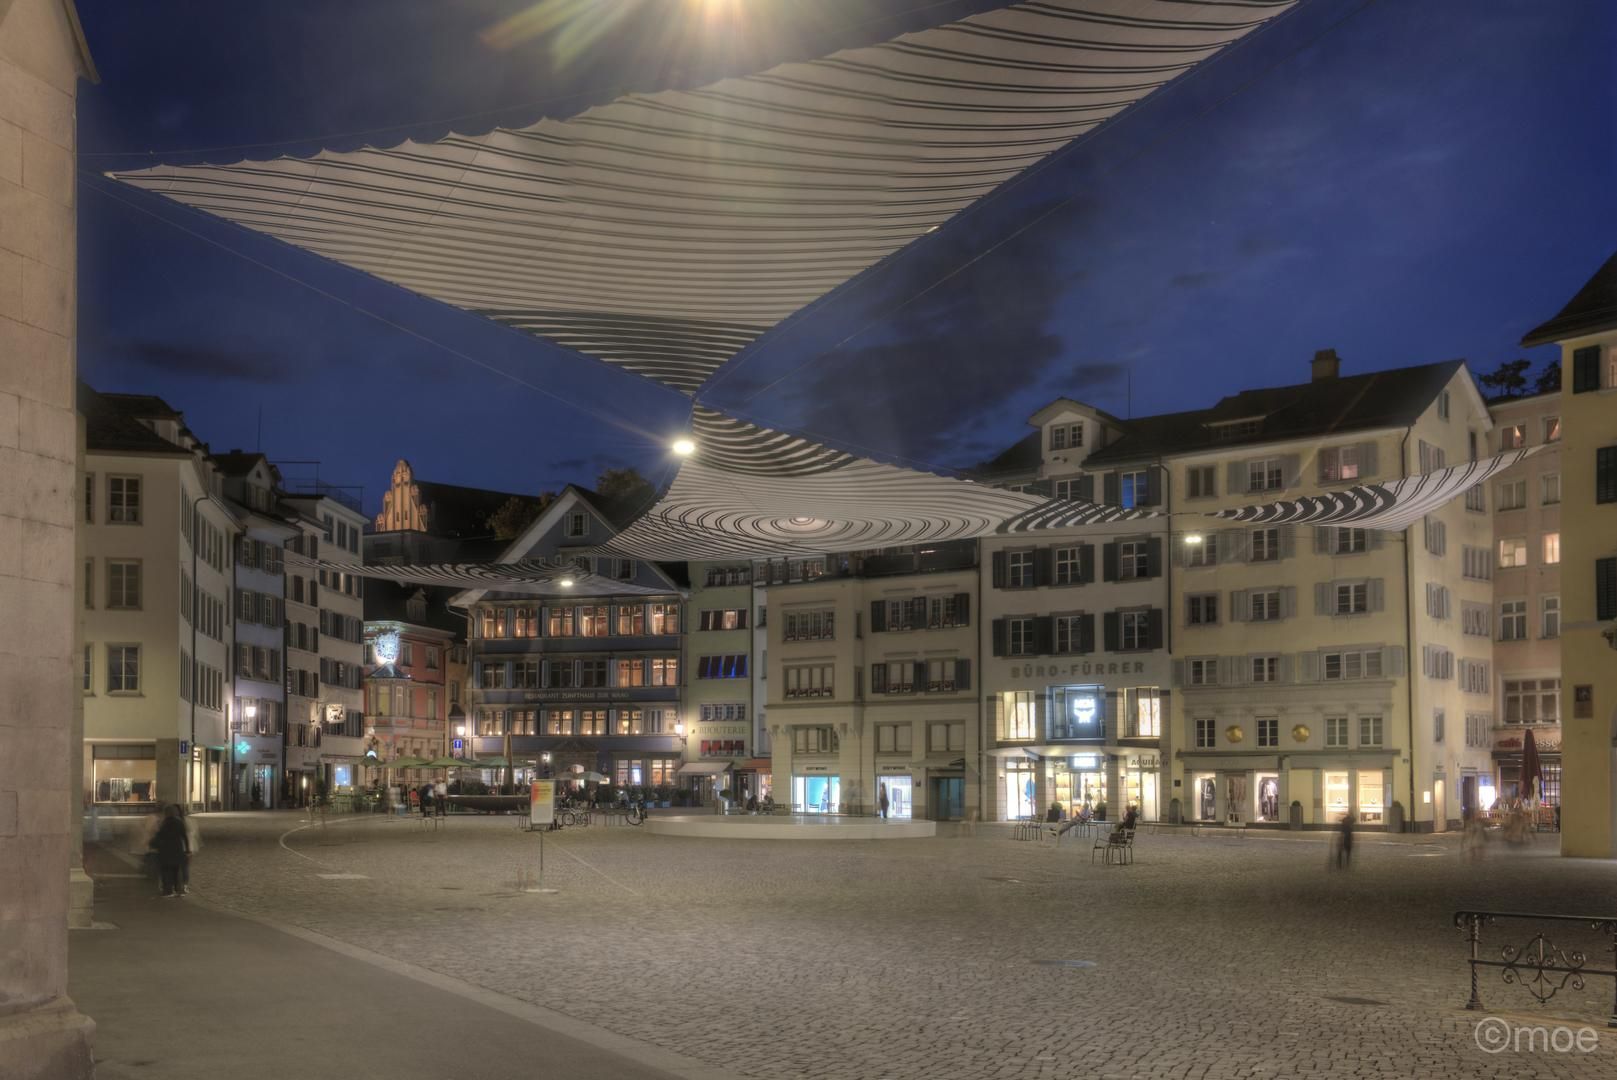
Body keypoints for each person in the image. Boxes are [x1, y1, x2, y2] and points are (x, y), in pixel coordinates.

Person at [149, 804, 191, 897]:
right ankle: (178, 890)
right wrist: (187, 849)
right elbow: (184, 836)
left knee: (166, 871)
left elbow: (160, 835)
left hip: (167, 850)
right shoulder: (179, 822)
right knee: (176, 871)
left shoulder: (165, 823)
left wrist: (153, 843)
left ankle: (168, 891)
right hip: (178, 849)